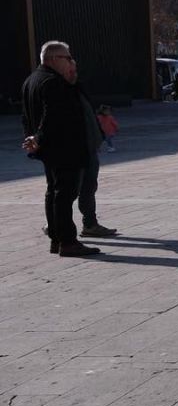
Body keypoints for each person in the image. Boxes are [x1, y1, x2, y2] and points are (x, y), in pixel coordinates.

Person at [20, 41, 107, 256]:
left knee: (54, 192)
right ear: (52, 59)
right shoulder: (53, 83)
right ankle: (68, 242)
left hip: (49, 148)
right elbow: (52, 116)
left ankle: (57, 240)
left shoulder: (31, 81)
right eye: (67, 58)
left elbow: (26, 117)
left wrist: (33, 138)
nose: (71, 61)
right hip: (64, 147)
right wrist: (38, 138)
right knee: (65, 195)